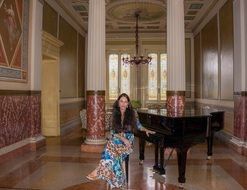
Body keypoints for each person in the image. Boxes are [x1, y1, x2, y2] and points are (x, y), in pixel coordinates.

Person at [86, 93, 155, 189]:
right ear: (118, 103)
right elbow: (113, 132)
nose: (123, 104)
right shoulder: (115, 114)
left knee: (110, 146)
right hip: (118, 139)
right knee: (112, 147)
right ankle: (120, 182)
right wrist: (122, 138)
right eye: (121, 101)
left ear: (128, 104)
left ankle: (99, 170)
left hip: (128, 141)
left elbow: (138, 125)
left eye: (125, 102)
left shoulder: (132, 113)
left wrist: (146, 130)